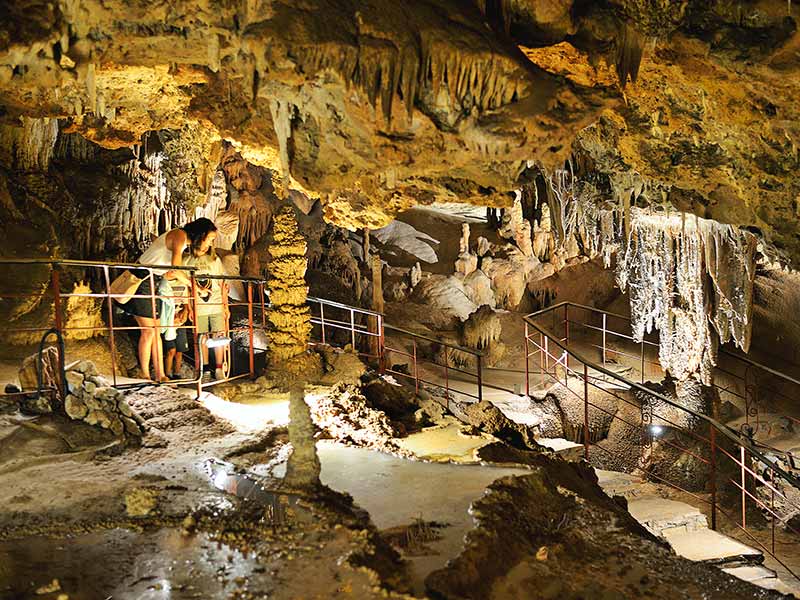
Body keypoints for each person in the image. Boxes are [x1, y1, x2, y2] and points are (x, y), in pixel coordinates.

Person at [121, 218, 218, 382]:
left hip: (154, 282)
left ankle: (160, 374)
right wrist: (195, 287)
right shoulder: (179, 235)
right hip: (141, 281)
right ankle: (144, 374)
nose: (209, 244)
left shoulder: (182, 243)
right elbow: (176, 268)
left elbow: (171, 273)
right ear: (201, 234)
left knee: (156, 330)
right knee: (148, 330)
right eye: (210, 239)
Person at [185, 250, 229, 381]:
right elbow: (187, 286)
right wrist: (189, 307)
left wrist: (225, 305)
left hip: (216, 303)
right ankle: (205, 370)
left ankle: (219, 368)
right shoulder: (188, 259)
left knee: (219, 336)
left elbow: (222, 285)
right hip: (199, 306)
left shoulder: (215, 260)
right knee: (202, 338)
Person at [162, 304, 190, 380]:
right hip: (168, 323)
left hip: (180, 323)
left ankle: (176, 374)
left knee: (179, 351)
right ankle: (167, 374)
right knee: (171, 350)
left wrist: (186, 311)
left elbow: (186, 301)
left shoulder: (182, 293)